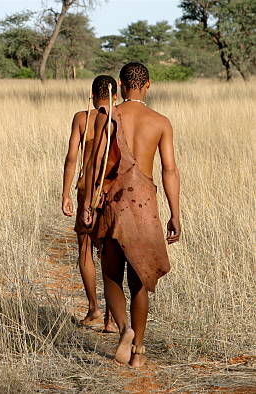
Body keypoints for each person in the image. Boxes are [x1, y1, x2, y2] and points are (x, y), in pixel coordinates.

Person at [82, 62, 181, 368]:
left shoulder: (108, 117)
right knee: (140, 280)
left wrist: (88, 203)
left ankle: (124, 328)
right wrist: (175, 213)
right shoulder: (161, 122)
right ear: (148, 85)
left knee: (112, 274)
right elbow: (169, 170)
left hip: (113, 200)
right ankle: (138, 350)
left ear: (121, 86)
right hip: (145, 204)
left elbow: (96, 165)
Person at [62, 75, 118, 333]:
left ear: (93, 95)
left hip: (87, 190)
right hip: (113, 192)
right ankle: (110, 316)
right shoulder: (121, 118)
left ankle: (94, 308)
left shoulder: (82, 118)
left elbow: (72, 157)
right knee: (110, 253)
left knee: (85, 248)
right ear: (115, 96)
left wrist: (65, 193)